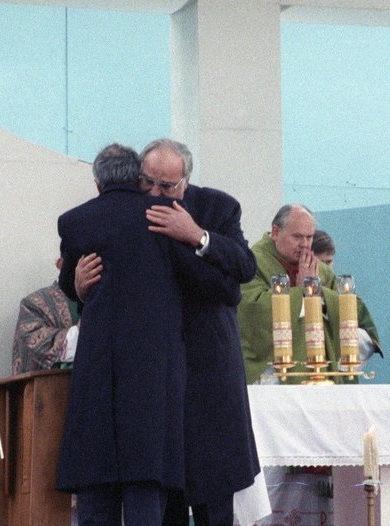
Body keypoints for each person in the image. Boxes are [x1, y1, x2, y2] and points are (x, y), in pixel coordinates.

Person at [74, 138, 262, 526]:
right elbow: (104, 286)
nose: (156, 194)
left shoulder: (217, 207)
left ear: (186, 183)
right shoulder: (127, 215)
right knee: (165, 502)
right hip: (154, 380)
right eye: (149, 183)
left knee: (214, 500)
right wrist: (76, 287)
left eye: (168, 187)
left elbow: (242, 269)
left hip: (207, 372)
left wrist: (197, 235)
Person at [55, 143, 197, 525]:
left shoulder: (74, 222)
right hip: (153, 373)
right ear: (137, 179)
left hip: (99, 371)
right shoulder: (165, 216)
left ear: (98, 182)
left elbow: (75, 282)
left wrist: (77, 288)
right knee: (146, 487)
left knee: (96, 487)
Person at [238, 204, 381, 384]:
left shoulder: (319, 270)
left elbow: (350, 306)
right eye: (297, 237)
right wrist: (301, 293)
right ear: (275, 232)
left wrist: (319, 295)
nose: (305, 245)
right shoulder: (252, 263)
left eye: (309, 237)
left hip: (323, 374)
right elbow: (251, 312)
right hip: (272, 375)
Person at [10, 257, 79, 374]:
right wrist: (83, 329)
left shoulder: (110, 301)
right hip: (58, 389)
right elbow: (31, 348)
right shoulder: (34, 304)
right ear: (60, 263)